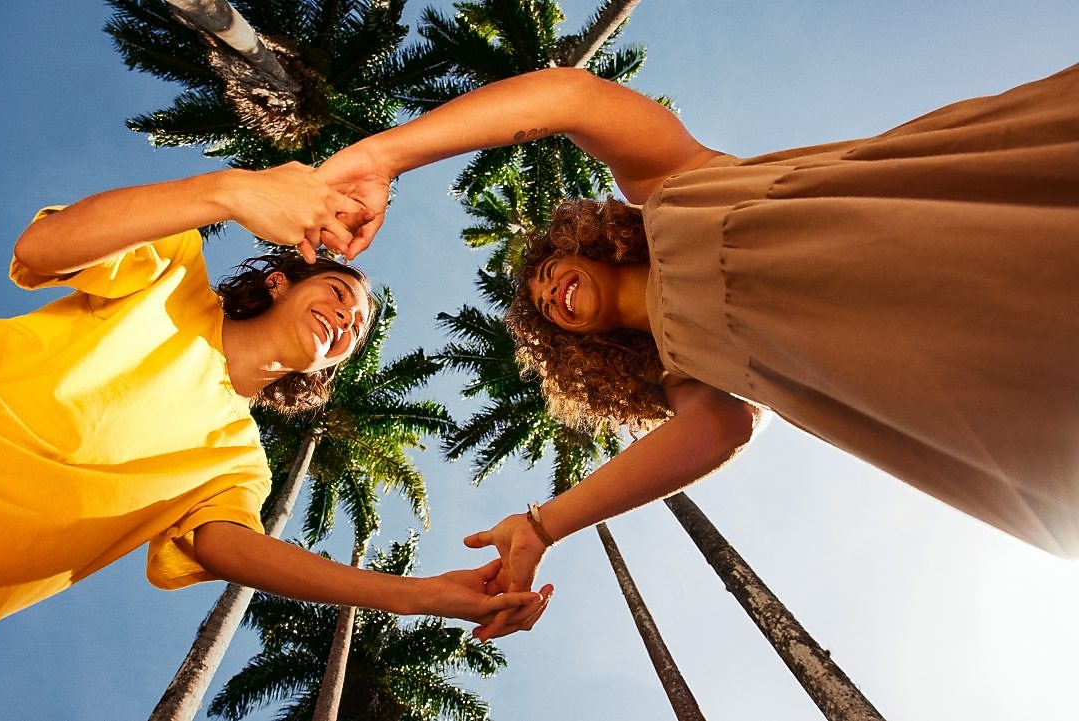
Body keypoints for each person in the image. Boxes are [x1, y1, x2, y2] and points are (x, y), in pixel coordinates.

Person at [312, 64, 1079, 639]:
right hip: (965, 376)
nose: (550, 293)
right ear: (579, 350)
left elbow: (573, 98)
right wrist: (543, 525)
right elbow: (719, 434)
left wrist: (389, 155)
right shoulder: (690, 374)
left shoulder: (673, 187)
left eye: (548, 273)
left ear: (587, 244)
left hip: (974, 210)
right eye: (547, 309)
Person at [0, 162, 545, 721]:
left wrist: (415, 594)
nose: (348, 320)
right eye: (342, 294)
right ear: (286, 280)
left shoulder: (233, 463)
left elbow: (233, 548)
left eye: (357, 331)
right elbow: (44, 244)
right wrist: (230, 190)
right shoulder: (171, 270)